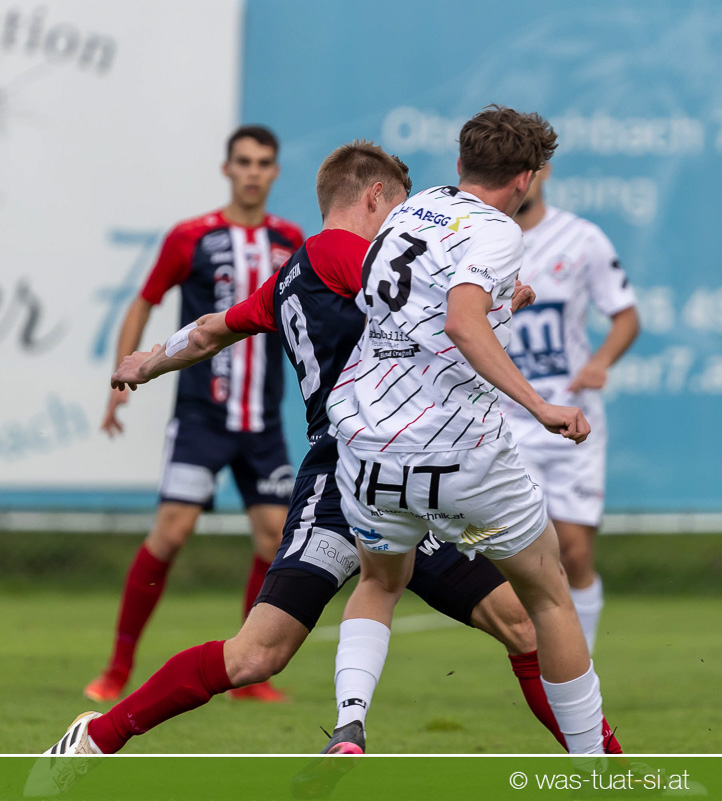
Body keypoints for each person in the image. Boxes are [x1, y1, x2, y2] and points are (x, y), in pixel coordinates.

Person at [31, 141, 619, 791]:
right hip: (346, 476)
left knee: (521, 625)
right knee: (257, 653)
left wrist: (151, 359)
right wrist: (499, 301)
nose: (410, 229)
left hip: (404, 471)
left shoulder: (291, 272)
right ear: (374, 197)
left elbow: (210, 330)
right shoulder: (344, 253)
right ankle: (97, 736)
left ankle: (613, 773)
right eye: (401, 209)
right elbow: (439, 309)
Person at [326, 105, 618, 756]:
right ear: (527, 179)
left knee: (380, 582)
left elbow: (407, 306)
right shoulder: (500, 231)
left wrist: (503, 303)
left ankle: (350, 723)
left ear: (460, 164)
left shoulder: (415, 208)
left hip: (369, 446)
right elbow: (462, 321)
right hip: (457, 452)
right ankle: (597, 770)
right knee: (550, 598)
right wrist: (539, 404)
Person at [90, 125, 303, 704]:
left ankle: (249, 677)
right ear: (227, 169)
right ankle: (117, 668)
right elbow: (145, 301)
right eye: (244, 161)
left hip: (261, 422)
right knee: (172, 531)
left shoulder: (291, 239)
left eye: (263, 162)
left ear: (275, 171)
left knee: (273, 538)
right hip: (201, 418)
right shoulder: (191, 237)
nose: (253, 171)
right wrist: (121, 377)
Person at [501, 162, 639, 653]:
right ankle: (542, 665)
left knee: (575, 554)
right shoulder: (479, 239)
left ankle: (581, 664)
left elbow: (626, 317)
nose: (520, 179)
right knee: (520, 558)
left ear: (543, 171)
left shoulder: (582, 238)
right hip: (506, 420)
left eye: (527, 167)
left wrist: (600, 362)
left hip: (570, 419)